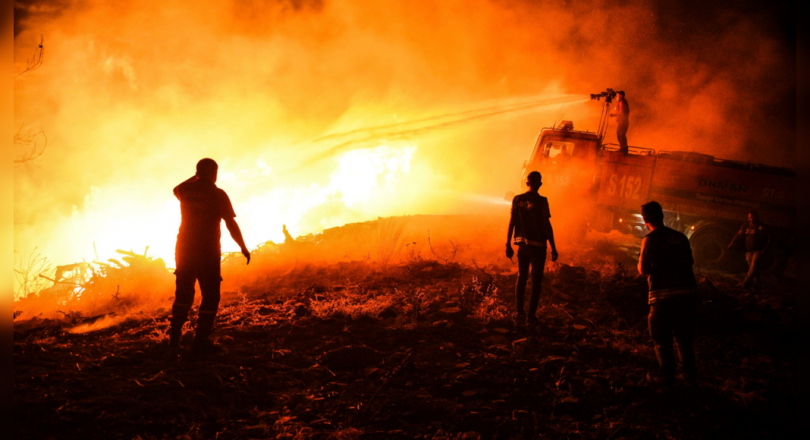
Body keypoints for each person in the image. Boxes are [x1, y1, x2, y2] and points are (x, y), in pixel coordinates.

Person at [169, 158, 251, 357]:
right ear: (215, 173)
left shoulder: (185, 190)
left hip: (184, 249)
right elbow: (230, 223)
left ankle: (173, 341)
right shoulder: (218, 194)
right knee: (211, 295)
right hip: (208, 251)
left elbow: (175, 189)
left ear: (197, 173)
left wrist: (197, 176)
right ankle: (200, 342)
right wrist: (242, 246)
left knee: (183, 294)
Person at [637, 201, 698, 387]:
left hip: (663, 298)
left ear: (645, 219)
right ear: (662, 216)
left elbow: (643, 269)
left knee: (662, 339)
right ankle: (689, 376)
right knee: (684, 338)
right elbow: (690, 262)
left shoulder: (650, 239)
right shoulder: (681, 237)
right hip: (687, 296)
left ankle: (666, 377)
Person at [506, 171, 559, 325]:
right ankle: (531, 316)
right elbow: (547, 225)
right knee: (536, 281)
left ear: (527, 183)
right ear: (540, 184)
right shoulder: (542, 201)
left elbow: (512, 222)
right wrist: (553, 247)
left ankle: (519, 313)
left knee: (521, 277)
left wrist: (508, 244)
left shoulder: (517, 199)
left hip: (522, 245)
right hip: (539, 247)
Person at [728, 210, 770, 290]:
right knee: (753, 269)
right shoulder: (746, 225)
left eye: (753, 217)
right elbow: (738, 233)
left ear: (757, 217)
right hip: (748, 250)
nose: (751, 219)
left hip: (758, 249)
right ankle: (758, 283)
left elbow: (769, 237)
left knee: (753, 267)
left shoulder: (761, 225)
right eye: (750, 217)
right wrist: (732, 243)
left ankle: (745, 283)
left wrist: (765, 249)